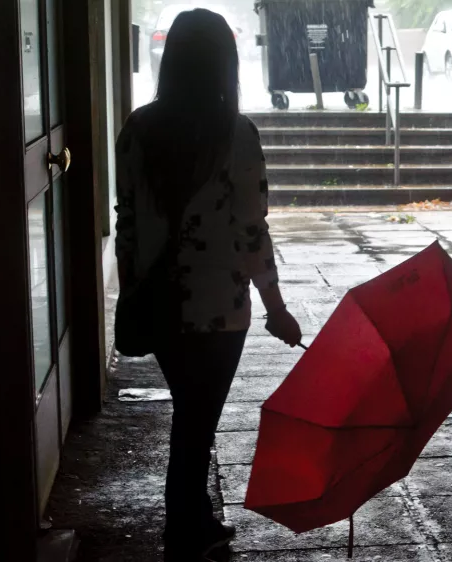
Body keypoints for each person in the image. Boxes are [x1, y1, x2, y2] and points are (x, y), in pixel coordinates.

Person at [114, 9, 302, 560]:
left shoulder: (138, 128)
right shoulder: (236, 135)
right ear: (225, 64)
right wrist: (276, 306)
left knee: (191, 413)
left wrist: (134, 292)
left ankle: (194, 519)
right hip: (221, 309)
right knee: (197, 420)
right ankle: (184, 531)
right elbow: (251, 231)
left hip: (163, 301)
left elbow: (127, 225)